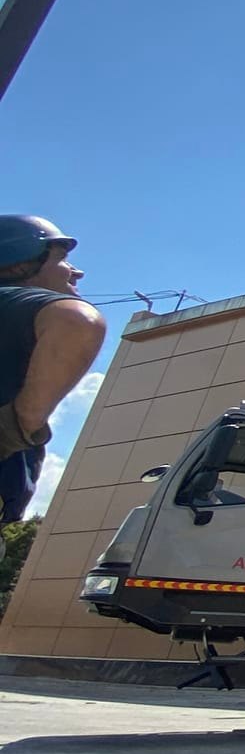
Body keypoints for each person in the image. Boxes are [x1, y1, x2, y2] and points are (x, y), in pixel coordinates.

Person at [0, 216, 104, 524]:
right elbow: (79, 322)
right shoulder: (11, 299)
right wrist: (19, 425)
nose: (77, 271)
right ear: (19, 265)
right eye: (62, 258)